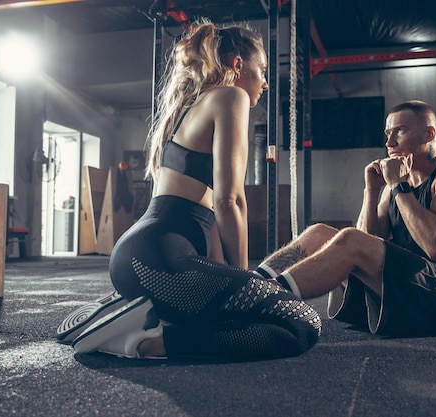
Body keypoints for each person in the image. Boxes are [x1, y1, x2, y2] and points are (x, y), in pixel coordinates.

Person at [64, 19, 321, 360]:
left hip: (139, 256)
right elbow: (229, 200)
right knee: (303, 323)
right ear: (238, 65)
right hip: (162, 258)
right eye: (262, 70)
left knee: (239, 322)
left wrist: (229, 283)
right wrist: (244, 278)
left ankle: (145, 317)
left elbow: (208, 217)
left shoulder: (189, 107)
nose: (266, 82)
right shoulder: (232, 96)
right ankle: (141, 343)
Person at [255, 100, 436, 337]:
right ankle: (251, 285)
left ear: (429, 134)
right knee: (319, 233)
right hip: (408, 283)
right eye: (388, 133)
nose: (389, 143)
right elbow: (368, 239)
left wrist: (399, 185)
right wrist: (372, 190)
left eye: (400, 131)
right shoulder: (397, 184)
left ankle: (261, 303)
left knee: (349, 238)